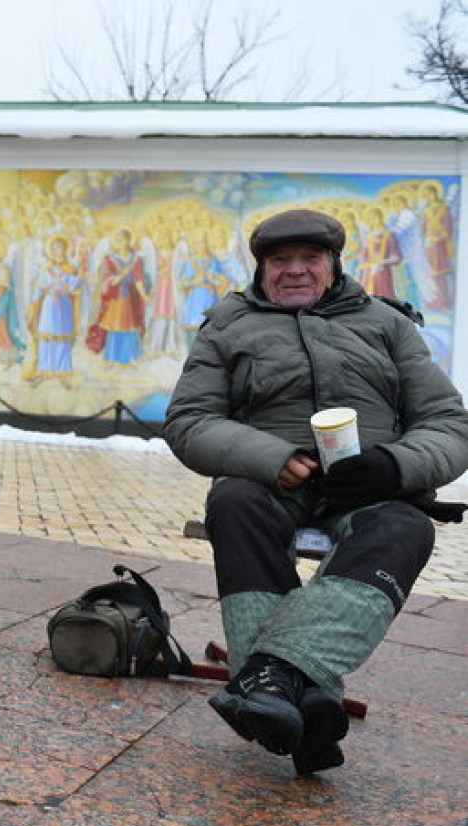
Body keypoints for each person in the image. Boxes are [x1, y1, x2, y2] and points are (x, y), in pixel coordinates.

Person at [164, 208, 468, 775]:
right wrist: (271, 459)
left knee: (405, 527)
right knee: (233, 502)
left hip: (370, 484)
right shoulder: (227, 325)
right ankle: (307, 692)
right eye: (281, 261)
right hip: (269, 480)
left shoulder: (388, 323)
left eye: (311, 259)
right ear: (262, 270)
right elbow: (188, 420)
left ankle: (270, 682)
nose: (296, 270)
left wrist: (394, 467)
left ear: (335, 265)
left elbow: (449, 423)